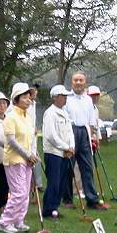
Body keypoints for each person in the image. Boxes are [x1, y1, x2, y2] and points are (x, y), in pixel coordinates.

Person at [0, 82, 38, 233]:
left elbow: (31, 138)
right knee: (18, 193)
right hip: (14, 160)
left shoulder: (28, 117)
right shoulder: (11, 117)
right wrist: (27, 155)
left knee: (25, 193)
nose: (28, 100)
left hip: (27, 160)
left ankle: (18, 220)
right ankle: (4, 222)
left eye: (29, 97)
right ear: (16, 99)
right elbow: (12, 141)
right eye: (25, 97)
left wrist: (32, 155)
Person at [64, 71, 106, 210]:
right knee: (69, 168)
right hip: (71, 131)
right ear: (72, 82)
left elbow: (92, 120)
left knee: (87, 167)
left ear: (84, 82)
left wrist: (93, 136)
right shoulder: (67, 98)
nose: (78, 83)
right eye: (75, 80)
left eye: (80, 80)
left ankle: (92, 199)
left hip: (84, 132)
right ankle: (67, 199)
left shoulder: (88, 99)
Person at [42, 85, 75, 218]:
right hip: (53, 153)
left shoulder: (65, 113)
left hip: (65, 153)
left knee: (62, 182)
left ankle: (54, 207)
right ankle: (48, 209)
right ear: (55, 97)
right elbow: (51, 136)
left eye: (66, 96)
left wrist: (71, 147)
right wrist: (65, 147)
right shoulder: (50, 113)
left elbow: (70, 132)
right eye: (63, 96)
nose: (65, 98)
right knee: (54, 183)